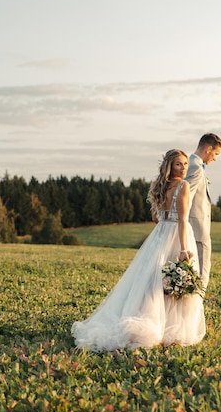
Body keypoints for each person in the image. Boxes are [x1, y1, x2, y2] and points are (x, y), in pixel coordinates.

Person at [71, 149, 205, 351]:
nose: (183, 168)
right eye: (179, 164)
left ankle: (152, 319)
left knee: (152, 281)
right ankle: (169, 327)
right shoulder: (183, 186)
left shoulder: (160, 186)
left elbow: (156, 217)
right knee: (171, 283)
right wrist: (184, 249)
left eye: (185, 164)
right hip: (177, 235)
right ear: (170, 166)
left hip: (159, 236)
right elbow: (183, 220)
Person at [185, 133, 221, 289]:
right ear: (208, 149)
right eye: (216, 153)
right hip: (196, 231)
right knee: (200, 276)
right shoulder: (194, 166)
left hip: (196, 229)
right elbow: (185, 199)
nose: (215, 158)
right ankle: (195, 311)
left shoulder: (192, 163)